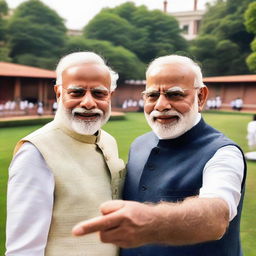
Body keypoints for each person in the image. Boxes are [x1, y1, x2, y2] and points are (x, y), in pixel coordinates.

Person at [72, 55, 246, 256]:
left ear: (200, 97)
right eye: (153, 95)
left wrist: (151, 220)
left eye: (175, 95)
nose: (161, 105)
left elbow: (217, 215)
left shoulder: (223, 153)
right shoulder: (139, 144)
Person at [6, 52, 125, 256]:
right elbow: (23, 250)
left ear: (110, 96)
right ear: (59, 93)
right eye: (77, 92)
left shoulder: (108, 141)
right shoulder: (36, 152)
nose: (88, 102)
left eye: (99, 93)